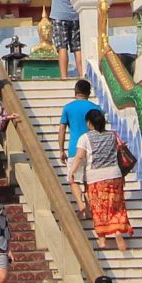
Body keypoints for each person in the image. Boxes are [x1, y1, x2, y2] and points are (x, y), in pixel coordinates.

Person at [70, 108, 132, 250]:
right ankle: (117, 232)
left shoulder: (85, 138)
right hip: (115, 175)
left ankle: (102, 240)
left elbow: (79, 157)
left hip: (96, 178)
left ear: (89, 123)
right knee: (116, 207)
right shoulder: (113, 135)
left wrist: (72, 172)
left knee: (99, 209)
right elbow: (120, 153)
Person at [60, 79, 99, 209]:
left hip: (74, 149)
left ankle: (81, 205)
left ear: (75, 92)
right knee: (89, 181)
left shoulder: (68, 108)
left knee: (73, 179)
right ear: (89, 92)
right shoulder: (95, 108)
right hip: (92, 149)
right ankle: (89, 209)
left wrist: (61, 150)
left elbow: (62, 129)